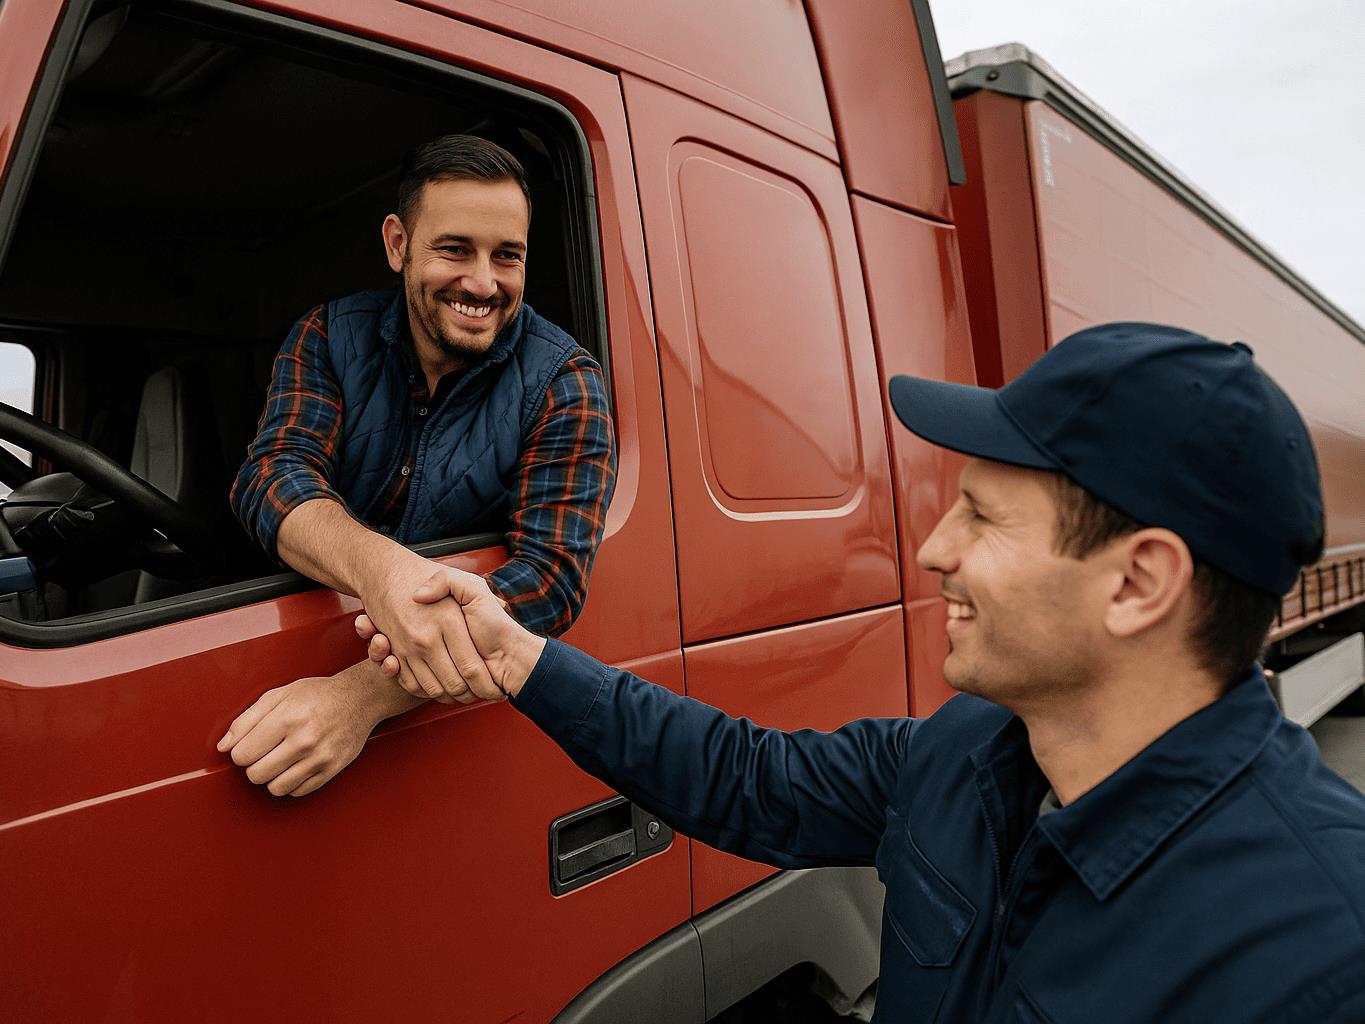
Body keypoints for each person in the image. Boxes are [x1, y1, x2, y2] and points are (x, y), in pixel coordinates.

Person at [359, 323, 1365, 1020]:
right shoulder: (969, 754)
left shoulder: (1318, 955)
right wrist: (518, 654)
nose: (933, 549)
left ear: (1139, 582)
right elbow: (745, 777)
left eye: (983, 517)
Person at [217, 134, 616, 798]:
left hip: (455, 742)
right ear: (398, 244)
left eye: (507, 256)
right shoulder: (328, 336)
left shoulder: (563, 381)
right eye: (455, 249)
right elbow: (272, 476)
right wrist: (384, 572)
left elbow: (549, 579)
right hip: (277, 646)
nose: (483, 283)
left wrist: (360, 698)